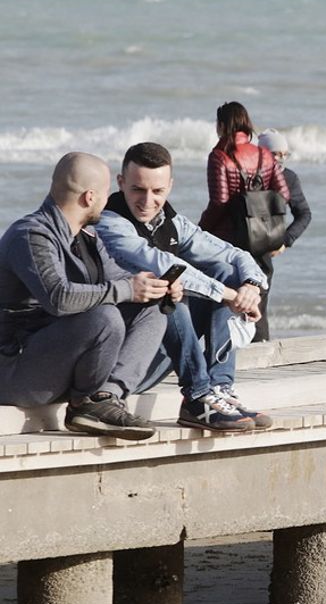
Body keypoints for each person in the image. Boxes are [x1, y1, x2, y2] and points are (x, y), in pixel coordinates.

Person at [95, 142, 272, 431]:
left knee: (226, 271)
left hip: (165, 352)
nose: (147, 201)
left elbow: (232, 254)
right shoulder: (110, 224)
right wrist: (229, 296)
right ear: (121, 182)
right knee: (166, 287)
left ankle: (219, 389)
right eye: (138, 189)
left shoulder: (171, 222)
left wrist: (251, 286)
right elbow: (160, 264)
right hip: (126, 360)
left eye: (158, 191)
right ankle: (197, 396)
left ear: (170, 186)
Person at [0, 152, 169, 439]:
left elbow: (118, 279)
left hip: (55, 361)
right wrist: (127, 289)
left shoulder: (86, 236)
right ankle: (84, 402)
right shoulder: (30, 235)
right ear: (90, 197)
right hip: (17, 367)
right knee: (105, 317)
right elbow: (59, 297)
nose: (108, 200)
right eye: (106, 194)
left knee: (152, 310)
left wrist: (155, 287)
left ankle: (104, 397)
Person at [199, 102, 291, 339]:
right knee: (258, 299)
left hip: (230, 240)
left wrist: (201, 232)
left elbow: (219, 202)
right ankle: (263, 351)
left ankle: (227, 353)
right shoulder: (263, 154)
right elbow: (283, 194)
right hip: (262, 239)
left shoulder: (220, 156)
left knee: (228, 299)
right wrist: (260, 209)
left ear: (221, 125)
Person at [255, 129, 313, 342]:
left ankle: (261, 355)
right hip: (237, 246)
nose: (280, 159)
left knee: (258, 306)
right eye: (275, 153)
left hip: (264, 252)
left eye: (284, 154)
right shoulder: (247, 173)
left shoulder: (289, 178)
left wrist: (285, 241)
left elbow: (304, 214)